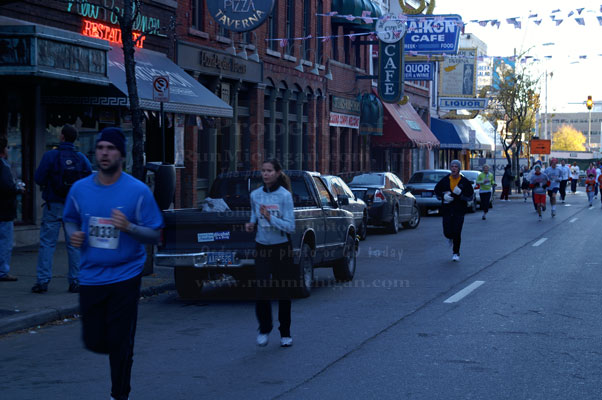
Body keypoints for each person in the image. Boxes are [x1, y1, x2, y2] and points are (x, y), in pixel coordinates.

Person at [63, 127, 164, 400]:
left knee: (120, 341)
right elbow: (69, 218)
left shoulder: (137, 191)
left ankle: (119, 394)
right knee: (95, 341)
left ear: (121, 154)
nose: (104, 153)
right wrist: (74, 234)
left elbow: (155, 234)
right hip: (91, 276)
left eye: (110, 148)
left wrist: (129, 227)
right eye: (100, 148)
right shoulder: (80, 189)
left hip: (125, 275)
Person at [32, 124, 92, 294]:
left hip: (53, 205)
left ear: (62, 137)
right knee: (74, 245)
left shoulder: (50, 155)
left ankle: (43, 281)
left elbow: (38, 178)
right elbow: (90, 179)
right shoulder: (81, 158)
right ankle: (76, 281)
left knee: (47, 244)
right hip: (74, 207)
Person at [245, 159, 296, 348]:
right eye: (263, 171)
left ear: (277, 173)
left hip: (281, 248)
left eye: (269, 171)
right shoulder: (255, 194)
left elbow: (290, 226)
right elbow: (254, 214)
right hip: (262, 247)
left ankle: (285, 333)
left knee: (283, 290)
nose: (265, 174)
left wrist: (270, 218)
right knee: (261, 289)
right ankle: (264, 328)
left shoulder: (285, 196)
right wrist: (252, 223)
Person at [434, 160, 474, 262]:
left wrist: (461, 195)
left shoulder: (464, 182)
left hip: (459, 210)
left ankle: (456, 252)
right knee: (447, 231)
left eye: (456, 166)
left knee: (457, 231)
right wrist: (443, 196)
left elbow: (470, 197)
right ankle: (450, 237)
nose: (454, 168)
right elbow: (437, 191)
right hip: (447, 209)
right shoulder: (445, 180)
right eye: (452, 166)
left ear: (459, 169)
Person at [0, 136, 25, 282]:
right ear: (3, 150)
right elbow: (6, 186)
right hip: (4, 210)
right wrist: (18, 189)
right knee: (5, 242)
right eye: (7, 147)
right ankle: (2, 271)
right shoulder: (3, 166)